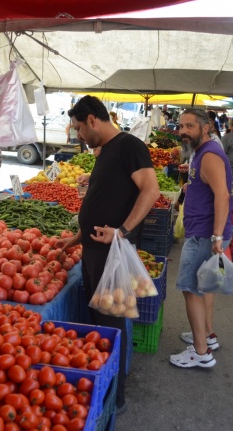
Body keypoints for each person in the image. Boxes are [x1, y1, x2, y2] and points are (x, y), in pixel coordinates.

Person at [57, 95, 159, 413]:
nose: (78, 136)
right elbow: (103, 200)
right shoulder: (105, 151)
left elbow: (151, 190)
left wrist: (123, 230)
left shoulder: (128, 146)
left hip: (112, 254)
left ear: (92, 120)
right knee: (100, 324)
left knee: (111, 328)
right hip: (93, 251)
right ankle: (103, 389)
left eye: (78, 129)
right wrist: (76, 239)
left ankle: (115, 399)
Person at [171, 108, 233, 368]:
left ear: (205, 128)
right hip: (203, 232)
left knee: (190, 289)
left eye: (189, 126)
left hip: (204, 235)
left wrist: (217, 237)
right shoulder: (200, 152)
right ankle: (205, 335)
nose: (183, 131)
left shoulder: (209, 155)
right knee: (203, 286)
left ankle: (200, 352)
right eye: (181, 126)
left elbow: (223, 195)